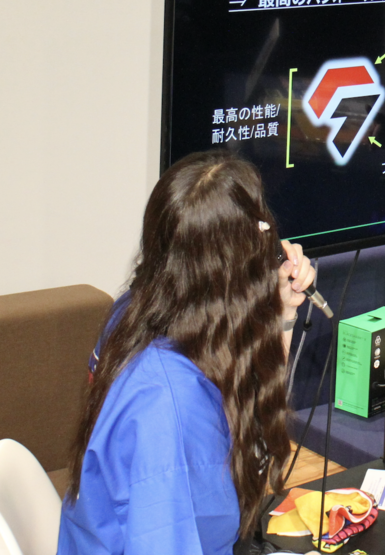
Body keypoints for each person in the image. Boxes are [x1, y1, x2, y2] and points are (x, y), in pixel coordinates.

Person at [59, 151, 316, 555]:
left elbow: (250, 426)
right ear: (235, 268)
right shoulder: (170, 405)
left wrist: (281, 312)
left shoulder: (134, 313)